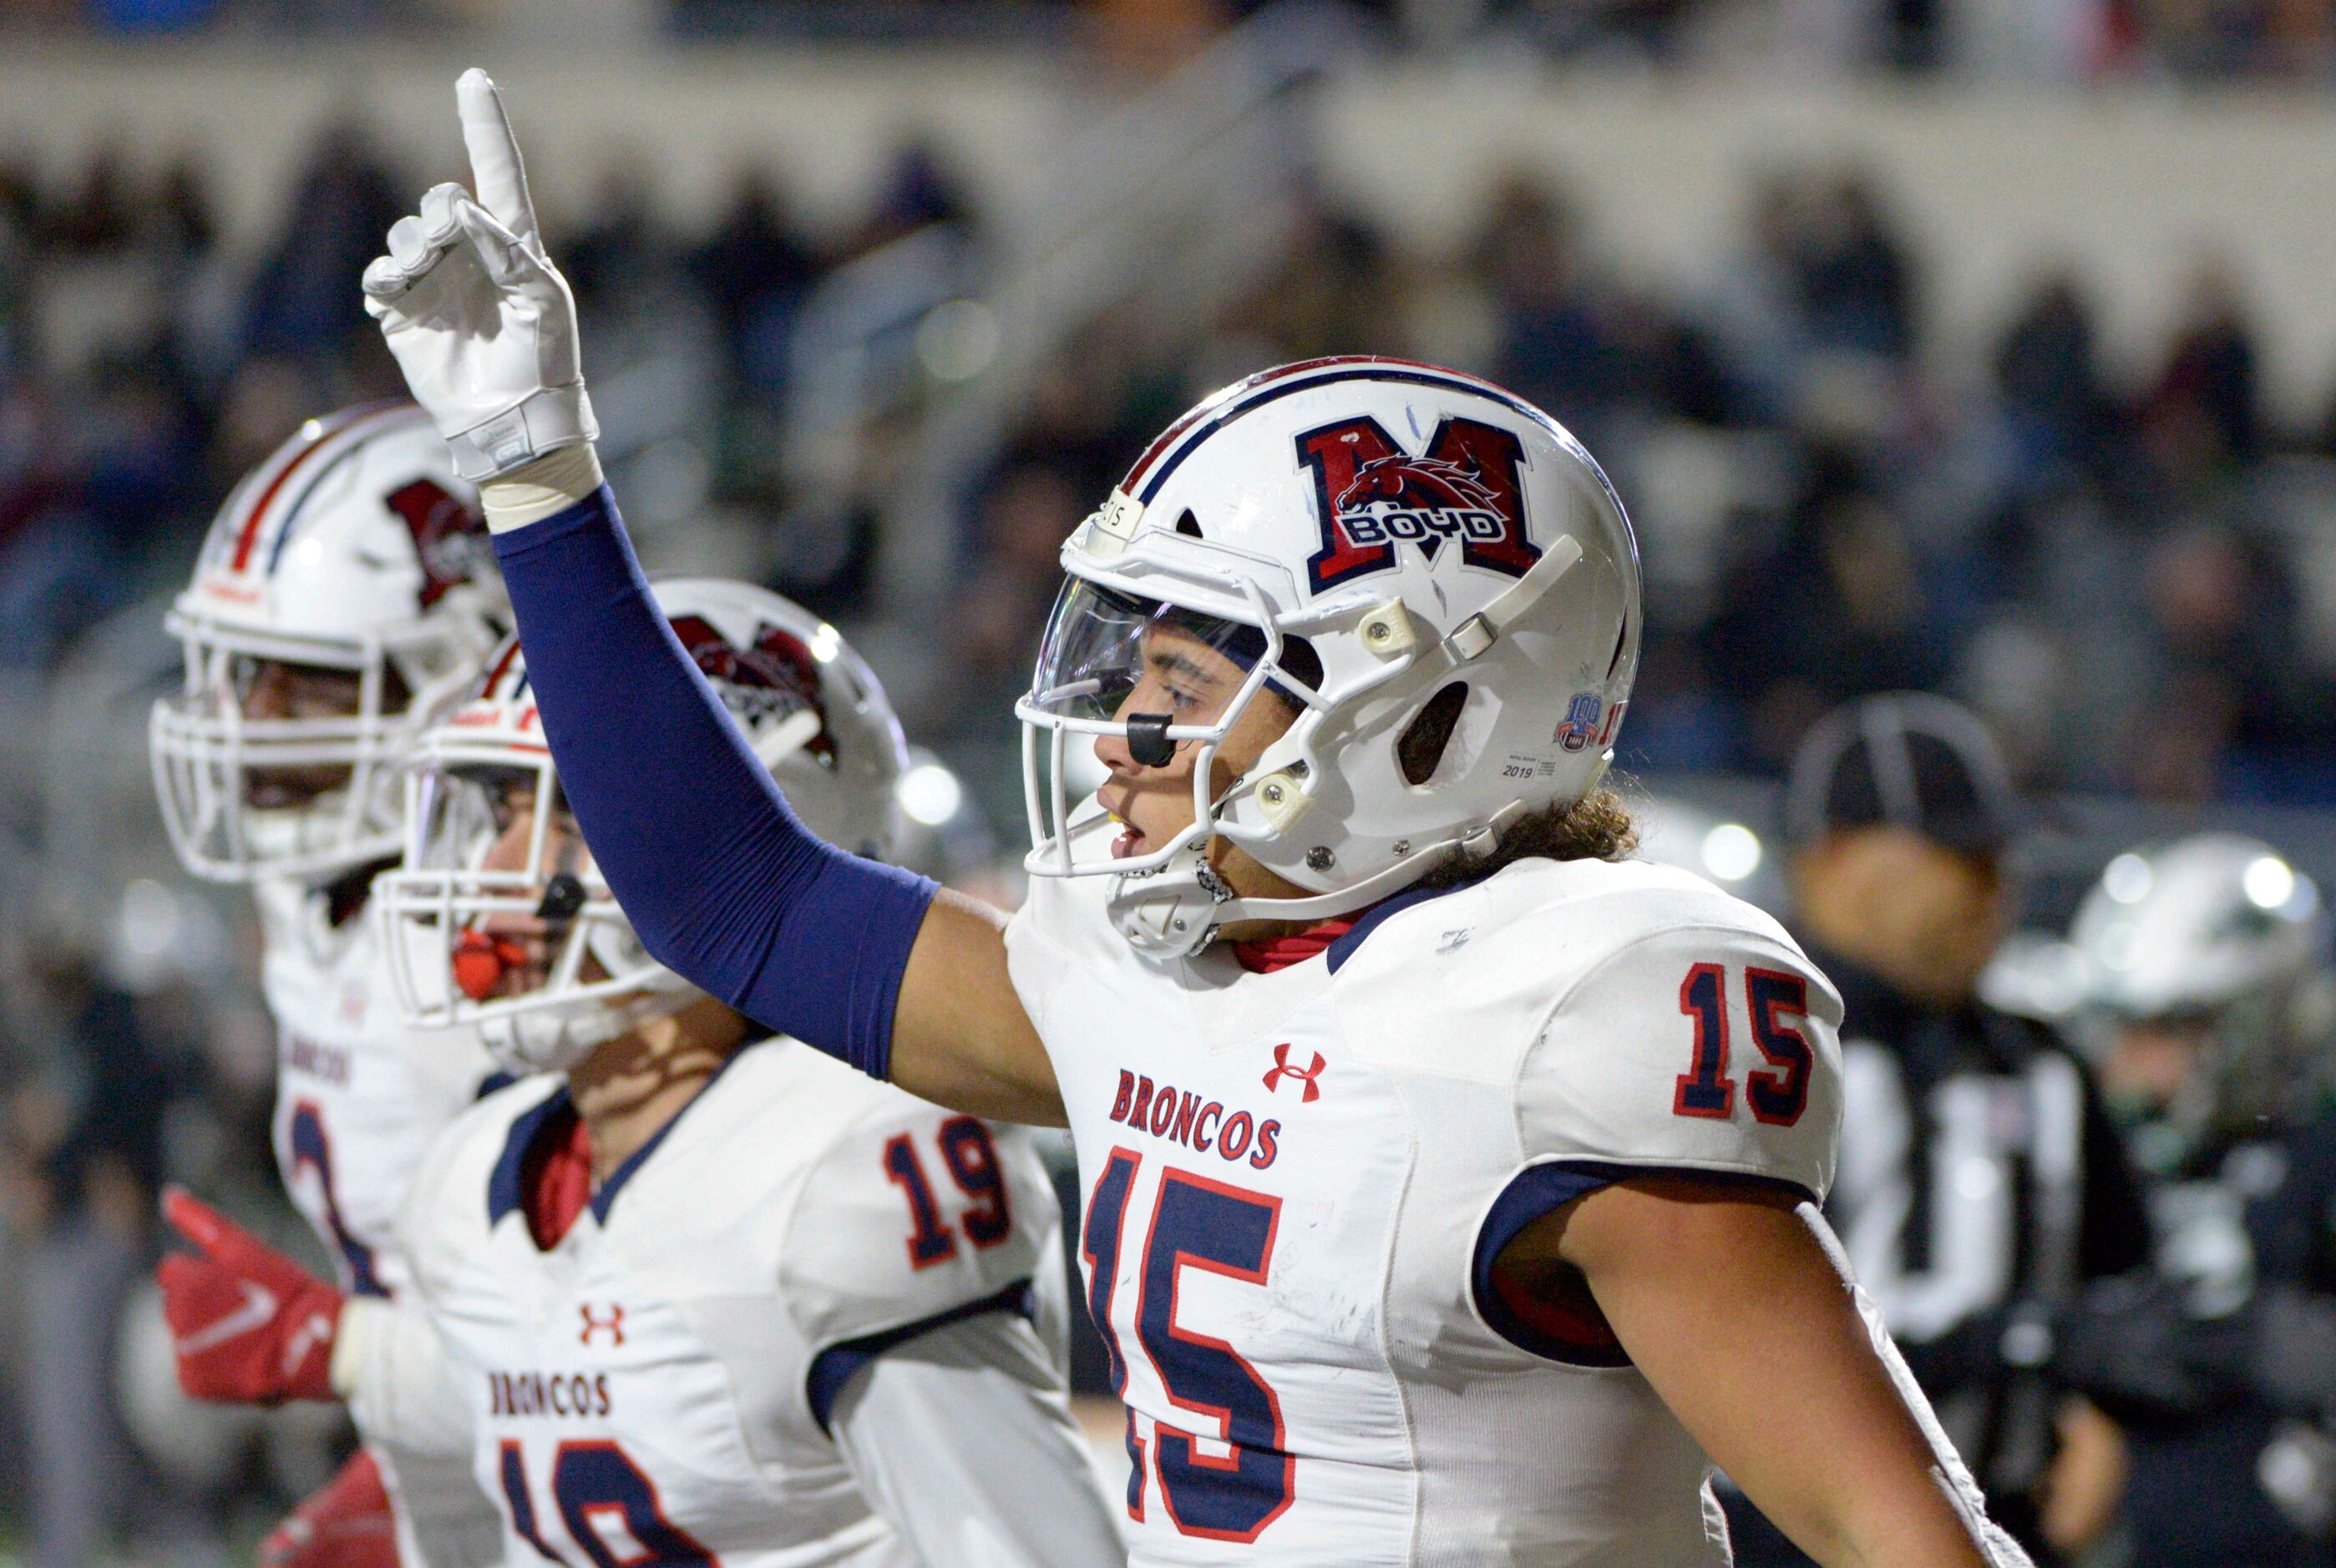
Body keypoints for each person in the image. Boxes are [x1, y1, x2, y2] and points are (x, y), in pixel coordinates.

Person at [357, 69, 2037, 1565]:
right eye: (1128, 662)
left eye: (1192, 672)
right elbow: (739, 906)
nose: (1123, 729)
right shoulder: (1149, 974)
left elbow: (1889, 1531)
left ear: (1440, 707)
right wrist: (537, 469)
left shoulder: (1567, 1015)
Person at [158, 580, 1127, 1566]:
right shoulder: (480, 1173)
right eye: (499, 808)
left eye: (571, 820)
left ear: (753, 842)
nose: (495, 867)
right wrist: (346, 1352)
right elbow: (587, 1372)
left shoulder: (846, 1168)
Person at [148, 402, 510, 1566]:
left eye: (300, 684)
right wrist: (408, 1482)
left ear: (456, 678)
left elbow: (651, 1362)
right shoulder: (318, 892)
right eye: (241, 672)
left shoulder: (527, 935)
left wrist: (339, 1350)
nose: (246, 723)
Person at [1723, 694, 2147, 1566]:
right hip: (1776, 1535)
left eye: (1997, 853)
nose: (1994, 883)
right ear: (1833, 859)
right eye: (1957, 852)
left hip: (2004, 1526)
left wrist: (2105, 1410)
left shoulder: (2040, 1063)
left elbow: (2122, 1275)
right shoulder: (1746, 1049)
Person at [2050, 833, 2336, 1567]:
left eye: (2162, 1029)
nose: (2125, 1066)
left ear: (2248, 1021)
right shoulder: (2093, 1161)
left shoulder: (2312, 1158)